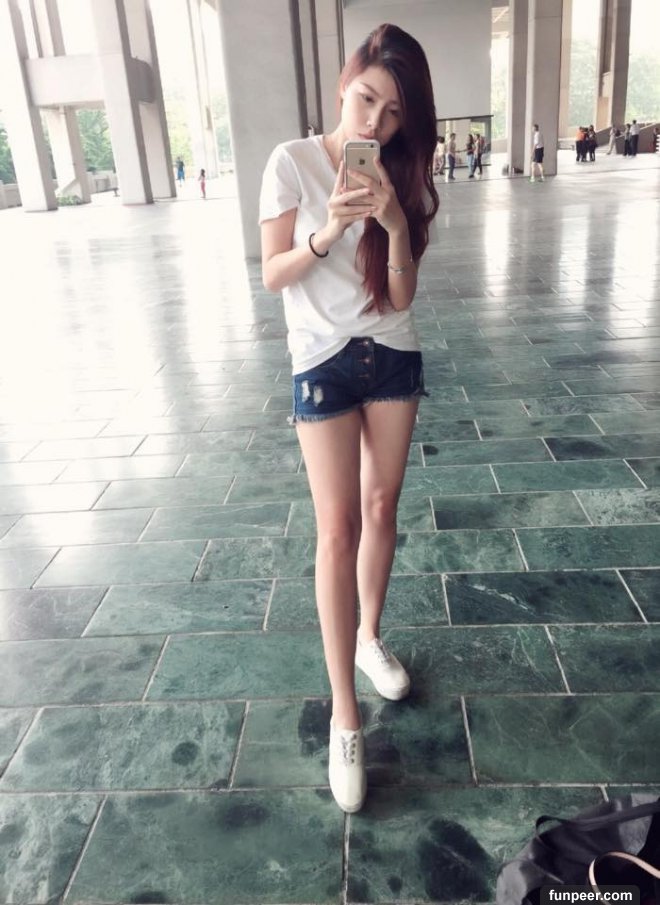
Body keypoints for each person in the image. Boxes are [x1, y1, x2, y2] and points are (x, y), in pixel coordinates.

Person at [259, 23, 439, 814]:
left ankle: (369, 638)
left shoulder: (404, 173)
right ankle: (344, 715)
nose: (375, 122)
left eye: (393, 113)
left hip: (391, 352)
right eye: (367, 99)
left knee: (382, 505)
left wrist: (395, 222)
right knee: (337, 527)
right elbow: (274, 274)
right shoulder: (291, 162)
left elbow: (399, 295)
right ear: (344, 82)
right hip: (322, 359)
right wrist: (330, 228)